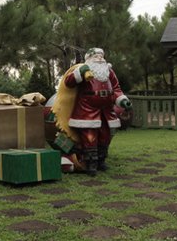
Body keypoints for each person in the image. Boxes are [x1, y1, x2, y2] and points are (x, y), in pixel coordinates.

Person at [51, 47, 131, 175]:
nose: (99, 58)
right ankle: (90, 164)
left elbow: (116, 88)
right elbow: (69, 82)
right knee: (89, 137)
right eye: (95, 56)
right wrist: (79, 73)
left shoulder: (109, 72)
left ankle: (101, 160)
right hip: (87, 110)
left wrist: (121, 99)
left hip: (106, 110)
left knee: (105, 136)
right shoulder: (83, 70)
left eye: (101, 55)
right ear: (88, 59)